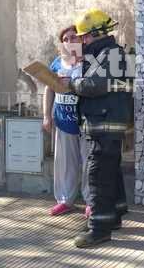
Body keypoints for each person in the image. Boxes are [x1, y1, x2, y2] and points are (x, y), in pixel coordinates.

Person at [67, 8, 130, 248]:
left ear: (97, 33)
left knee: (97, 176)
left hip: (103, 125)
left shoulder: (109, 54)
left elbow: (95, 85)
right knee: (109, 172)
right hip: (104, 123)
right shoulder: (106, 54)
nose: (82, 41)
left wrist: (72, 84)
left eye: (84, 37)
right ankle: (112, 216)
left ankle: (98, 229)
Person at [43, 25, 88, 216]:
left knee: (88, 163)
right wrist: (46, 116)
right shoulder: (57, 63)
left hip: (85, 121)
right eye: (66, 39)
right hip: (63, 120)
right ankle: (64, 200)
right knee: (65, 164)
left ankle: (90, 201)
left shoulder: (89, 62)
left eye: (73, 37)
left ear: (82, 40)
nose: (70, 42)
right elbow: (48, 89)